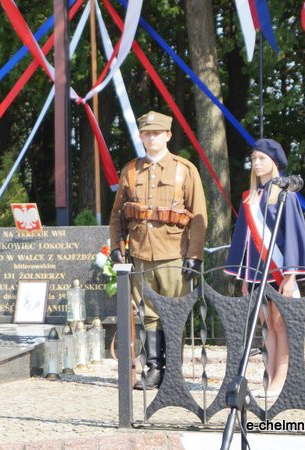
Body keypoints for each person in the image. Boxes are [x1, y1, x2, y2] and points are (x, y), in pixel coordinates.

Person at [109, 111, 208, 390]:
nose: (151, 137)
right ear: (140, 136)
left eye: (156, 133)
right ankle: (154, 369)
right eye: (146, 133)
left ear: (168, 135)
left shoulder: (184, 169)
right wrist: (117, 246)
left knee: (174, 312)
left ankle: (173, 372)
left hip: (174, 253)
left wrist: (195, 255)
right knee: (148, 314)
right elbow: (117, 214)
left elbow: (199, 215)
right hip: (141, 253)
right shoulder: (130, 170)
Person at [224, 138, 305, 398]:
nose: (255, 163)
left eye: (261, 158)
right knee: (267, 326)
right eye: (253, 158)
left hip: (279, 271)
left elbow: (293, 235)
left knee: (281, 325)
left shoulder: (286, 195)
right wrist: (245, 275)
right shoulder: (250, 198)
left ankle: (282, 377)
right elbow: (246, 241)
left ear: (274, 162)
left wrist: (290, 275)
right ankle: (270, 374)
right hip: (257, 273)